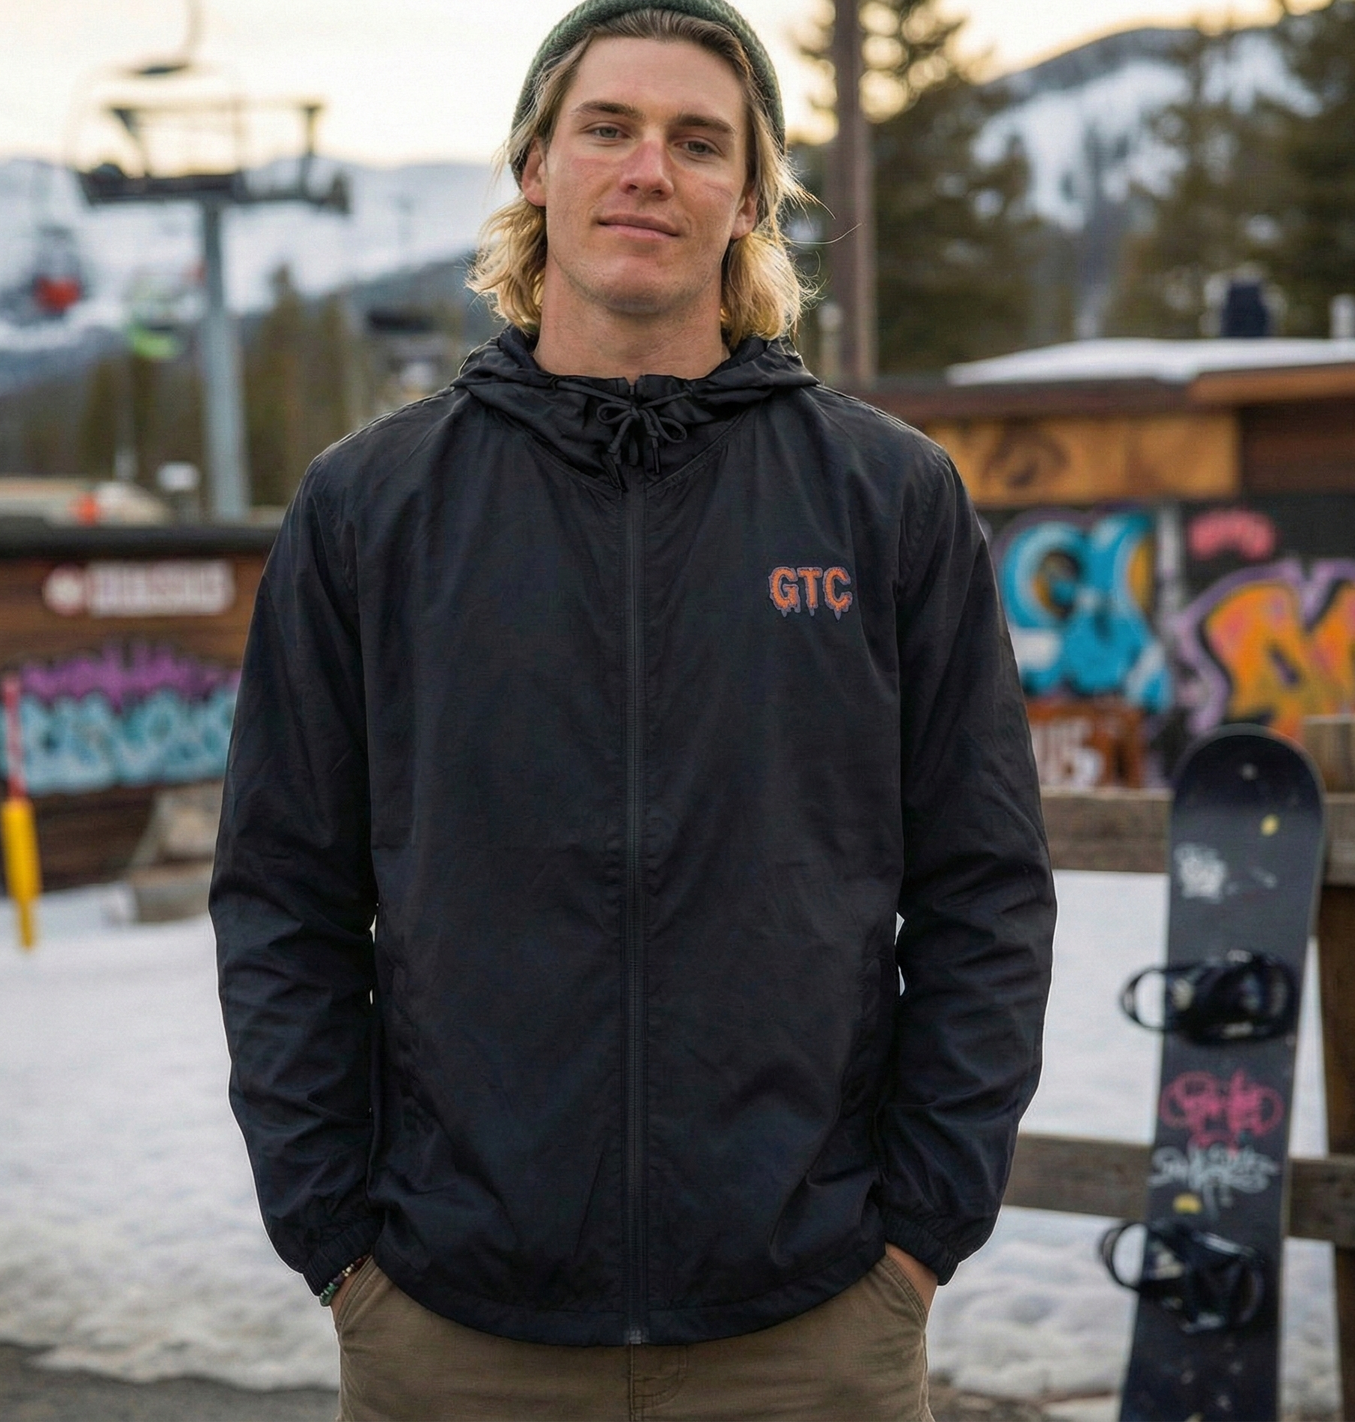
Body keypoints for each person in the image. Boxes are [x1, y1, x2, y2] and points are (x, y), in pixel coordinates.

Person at [212, 2, 1056, 1418]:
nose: (648, 169)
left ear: (749, 194)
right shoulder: (371, 507)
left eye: (697, 140)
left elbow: (984, 887)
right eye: (608, 127)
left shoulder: (888, 501)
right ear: (537, 164)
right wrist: (340, 1245)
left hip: (809, 1327)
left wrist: (915, 1239)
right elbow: (285, 895)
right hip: (453, 1329)